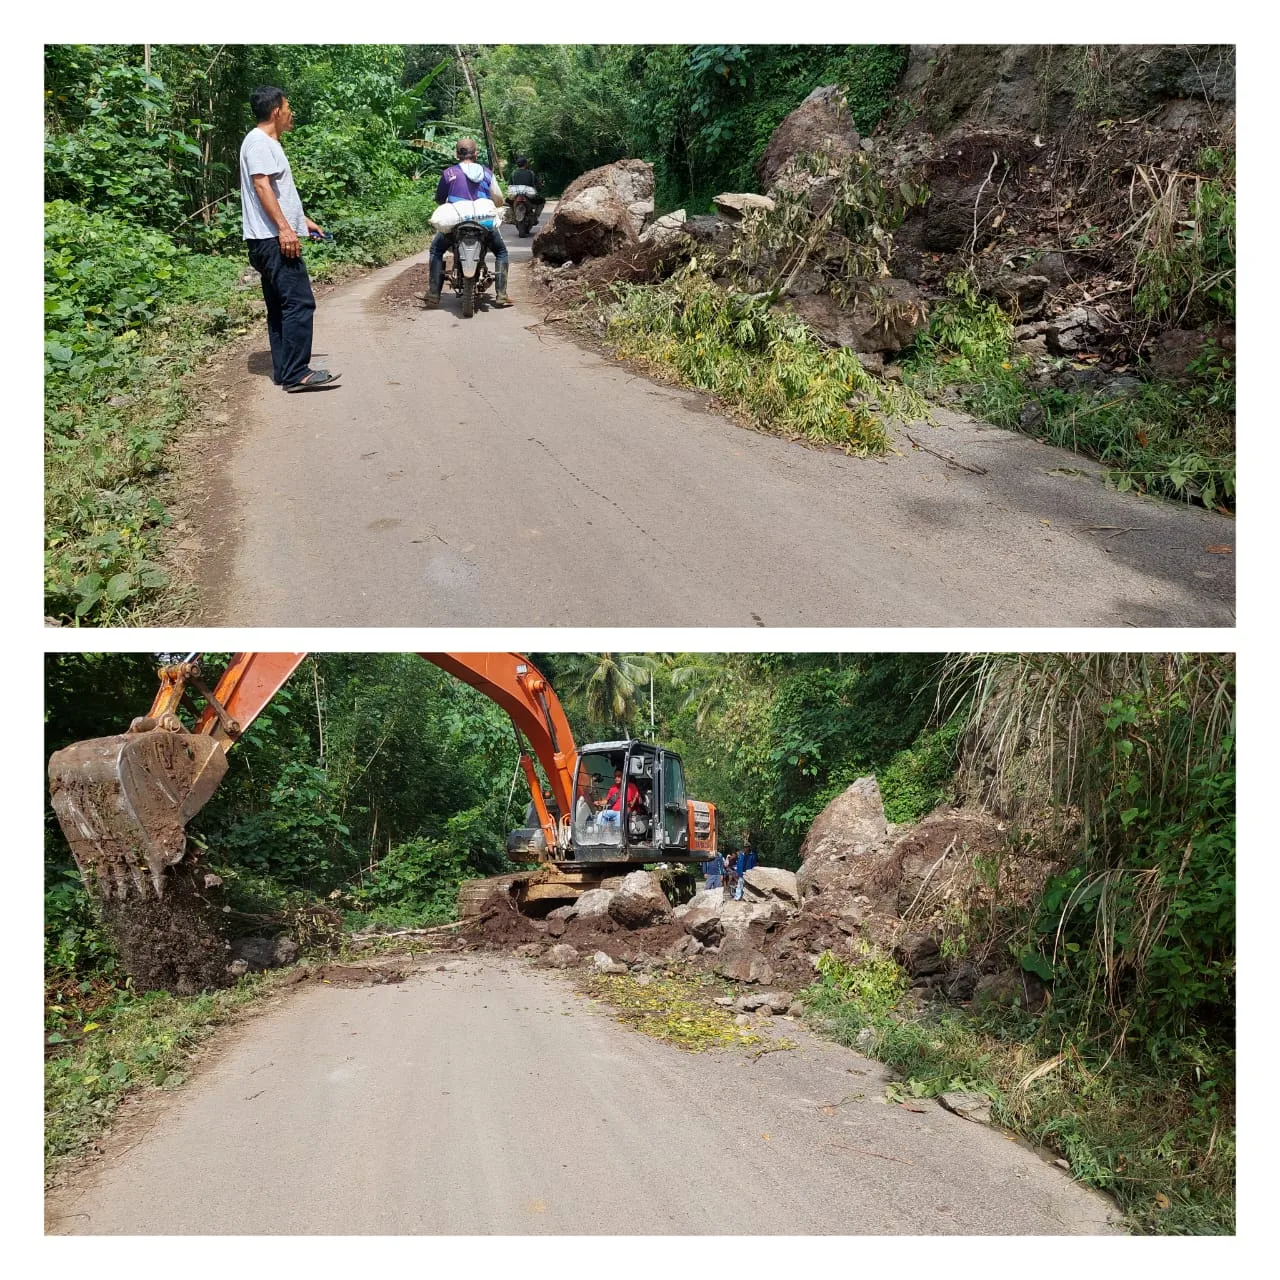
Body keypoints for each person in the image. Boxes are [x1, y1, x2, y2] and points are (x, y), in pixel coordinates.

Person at [239, 86, 340, 392]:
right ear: (276, 112)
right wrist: (285, 229)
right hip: (272, 240)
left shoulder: (266, 142)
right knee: (299, 303)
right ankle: (298, 372)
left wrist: (301, 222)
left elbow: (277, 192)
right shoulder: (259, 143)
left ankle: (286, 370)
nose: (291, 111)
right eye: (288, 106)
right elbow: (262, 187)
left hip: (269, 238)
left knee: (282, 306)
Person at [426, 138, 511, 309]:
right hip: (483, 224)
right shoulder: (487, 173)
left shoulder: (449, 173)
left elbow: (440, 199)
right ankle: (501, 295)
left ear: (457, 154)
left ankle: (434, 294)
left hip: (457, 224)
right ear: (476, 153)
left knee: (436, 249)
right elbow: (499, 200)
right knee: (501, 252)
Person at [508, 155, 545, 222]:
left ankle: (512, 217)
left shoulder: (513, 173)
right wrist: (540, 187)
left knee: (507, 202)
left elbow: (510, 185)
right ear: (525, 164)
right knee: (542, 201)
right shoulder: (531, 173)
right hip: (528, 195)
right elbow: (536, 184)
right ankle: (535, 217)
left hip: (516, 195)